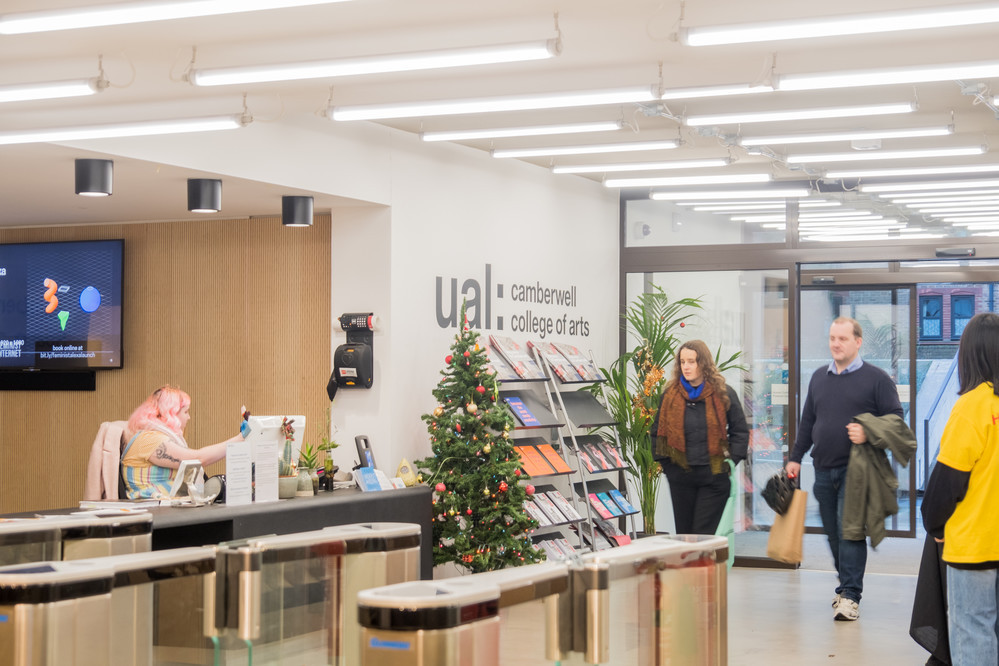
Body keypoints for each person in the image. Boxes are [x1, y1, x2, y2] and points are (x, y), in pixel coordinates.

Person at [787, 316, 903, 622]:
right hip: (822, 469)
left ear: (858, 342)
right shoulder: (818, 378)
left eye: (842, 339)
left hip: (857, 472)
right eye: (832, 338)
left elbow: (897, 419)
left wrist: (868, 432)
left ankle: (851, 596)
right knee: (833, 533)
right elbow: (808, 421)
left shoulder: (876, 379)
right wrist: (796, 456)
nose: (835, 344)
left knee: (850, 532)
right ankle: (845, 586)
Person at [921, 312, 999, 665]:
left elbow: (946, 482)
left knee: (974, 631)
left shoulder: (973, 406)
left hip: (976, 545)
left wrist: (935, 526)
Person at [652, 339, 749, 535]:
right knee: (685, 536)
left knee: (703, 536)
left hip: (713, 478)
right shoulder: (670, 395)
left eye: (691, 361)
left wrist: (729, 463)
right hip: (680, 477)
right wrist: (668, 467)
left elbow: (740, 432)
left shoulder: (723, 393)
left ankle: (706, 566)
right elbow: (656, 433)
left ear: (703, 363)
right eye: (682, 362)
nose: (686, 367)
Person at [121, 385, 243, 499]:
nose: (188, 417)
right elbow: (199, 459)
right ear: (170, 413)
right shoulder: (148, 440)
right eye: (185, 412)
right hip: (154, 509)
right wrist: (238, 439)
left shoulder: (154, 437)